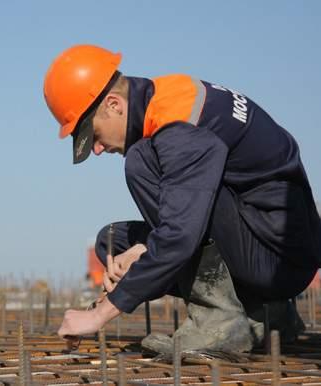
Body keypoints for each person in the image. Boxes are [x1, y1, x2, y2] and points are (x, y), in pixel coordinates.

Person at [44, 45, 321, 354]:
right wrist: (145, 247)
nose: (96, 149)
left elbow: (180, 234)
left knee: (141, 162)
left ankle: (220, 321)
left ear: (114, 105)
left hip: (276, 256)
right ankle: (267, 315)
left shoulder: (178, 128)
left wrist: (99, 314)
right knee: (112, 243)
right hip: (261, 236)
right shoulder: (167, 96)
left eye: (92, 135)